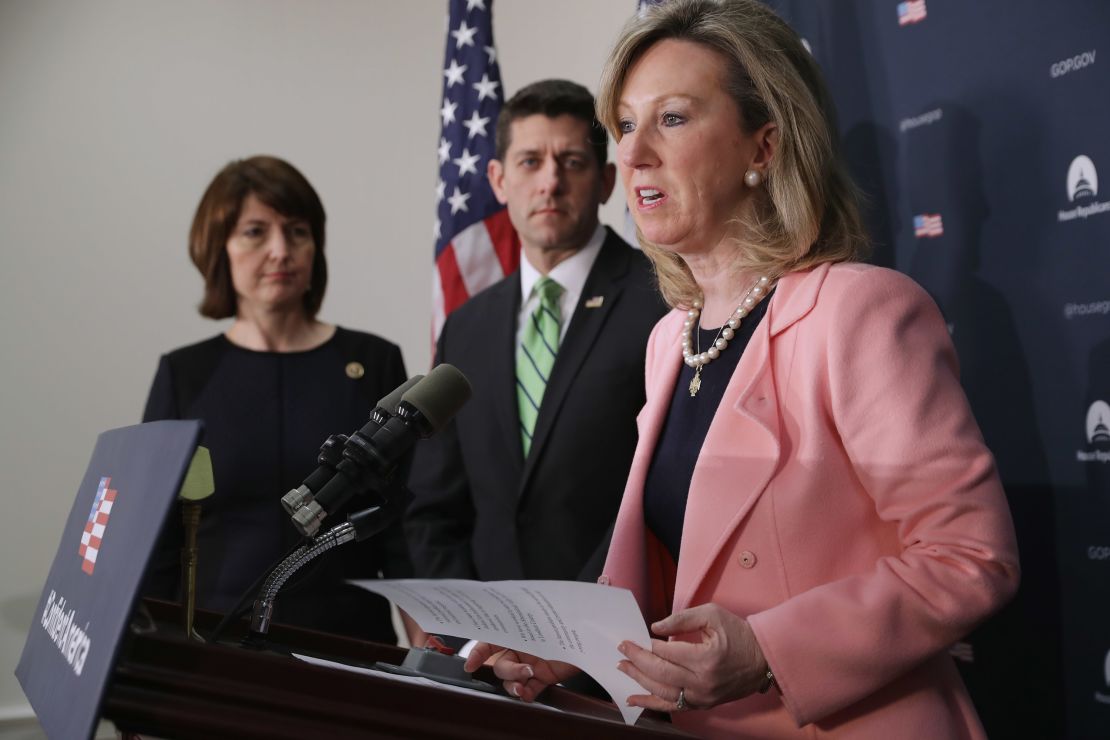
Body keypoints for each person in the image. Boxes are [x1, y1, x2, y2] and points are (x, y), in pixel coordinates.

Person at [464, 2, 1020, 737]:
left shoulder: (861, 311)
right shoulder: (671, 339)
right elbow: (665, 582)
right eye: (626, 125)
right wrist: (563, 647)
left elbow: (970, 555)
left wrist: (768, 650)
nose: (631, 156)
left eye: (672, 119)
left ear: (764, 147)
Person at [404, 80, 666, 588]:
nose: (550, 182)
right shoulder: (466, 326)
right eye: (530, 162)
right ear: (498, 180)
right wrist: (471, 634)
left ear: (609, 180)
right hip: (485, 648)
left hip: (615, 635)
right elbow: (434, 507)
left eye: (571, 161)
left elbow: (664, 494)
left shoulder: (662, 303)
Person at [142, 155, 411, 643]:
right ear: (217, 247)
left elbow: (403, 530)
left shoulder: (375, 361)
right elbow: (156, 542)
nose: (280, 251)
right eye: (255, 232)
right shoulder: (185, 374)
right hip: (213, 646)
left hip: (349, 649)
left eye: (297, 231)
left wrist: (431, 655)